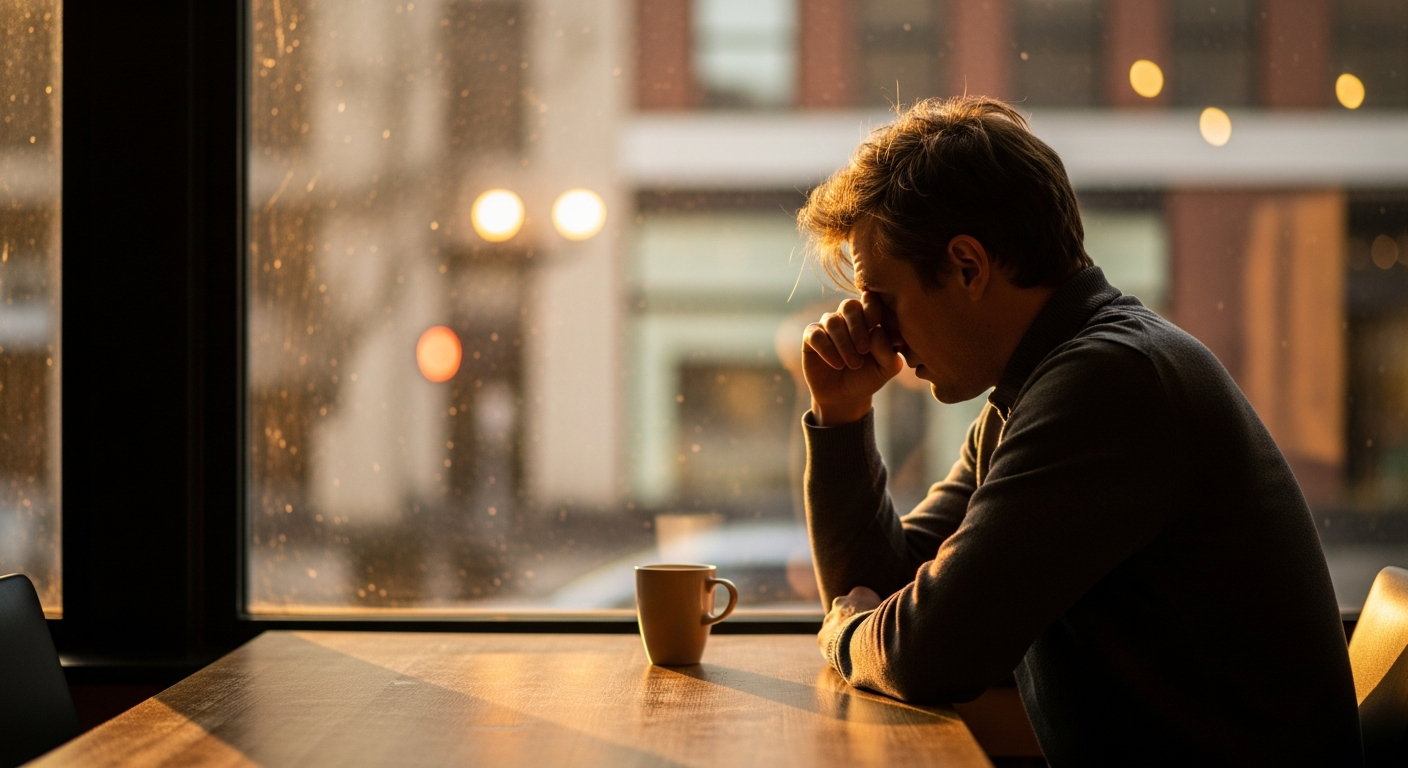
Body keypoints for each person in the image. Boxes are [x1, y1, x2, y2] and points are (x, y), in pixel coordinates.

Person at [796, 96, 1362, 765]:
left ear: (969, 267)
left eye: (884, 302)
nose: (878, 332)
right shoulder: (1045, 385)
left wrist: (845, 633)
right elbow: (893, 587)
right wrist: (841, 415)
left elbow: (931, 651)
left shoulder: (1109, 384)